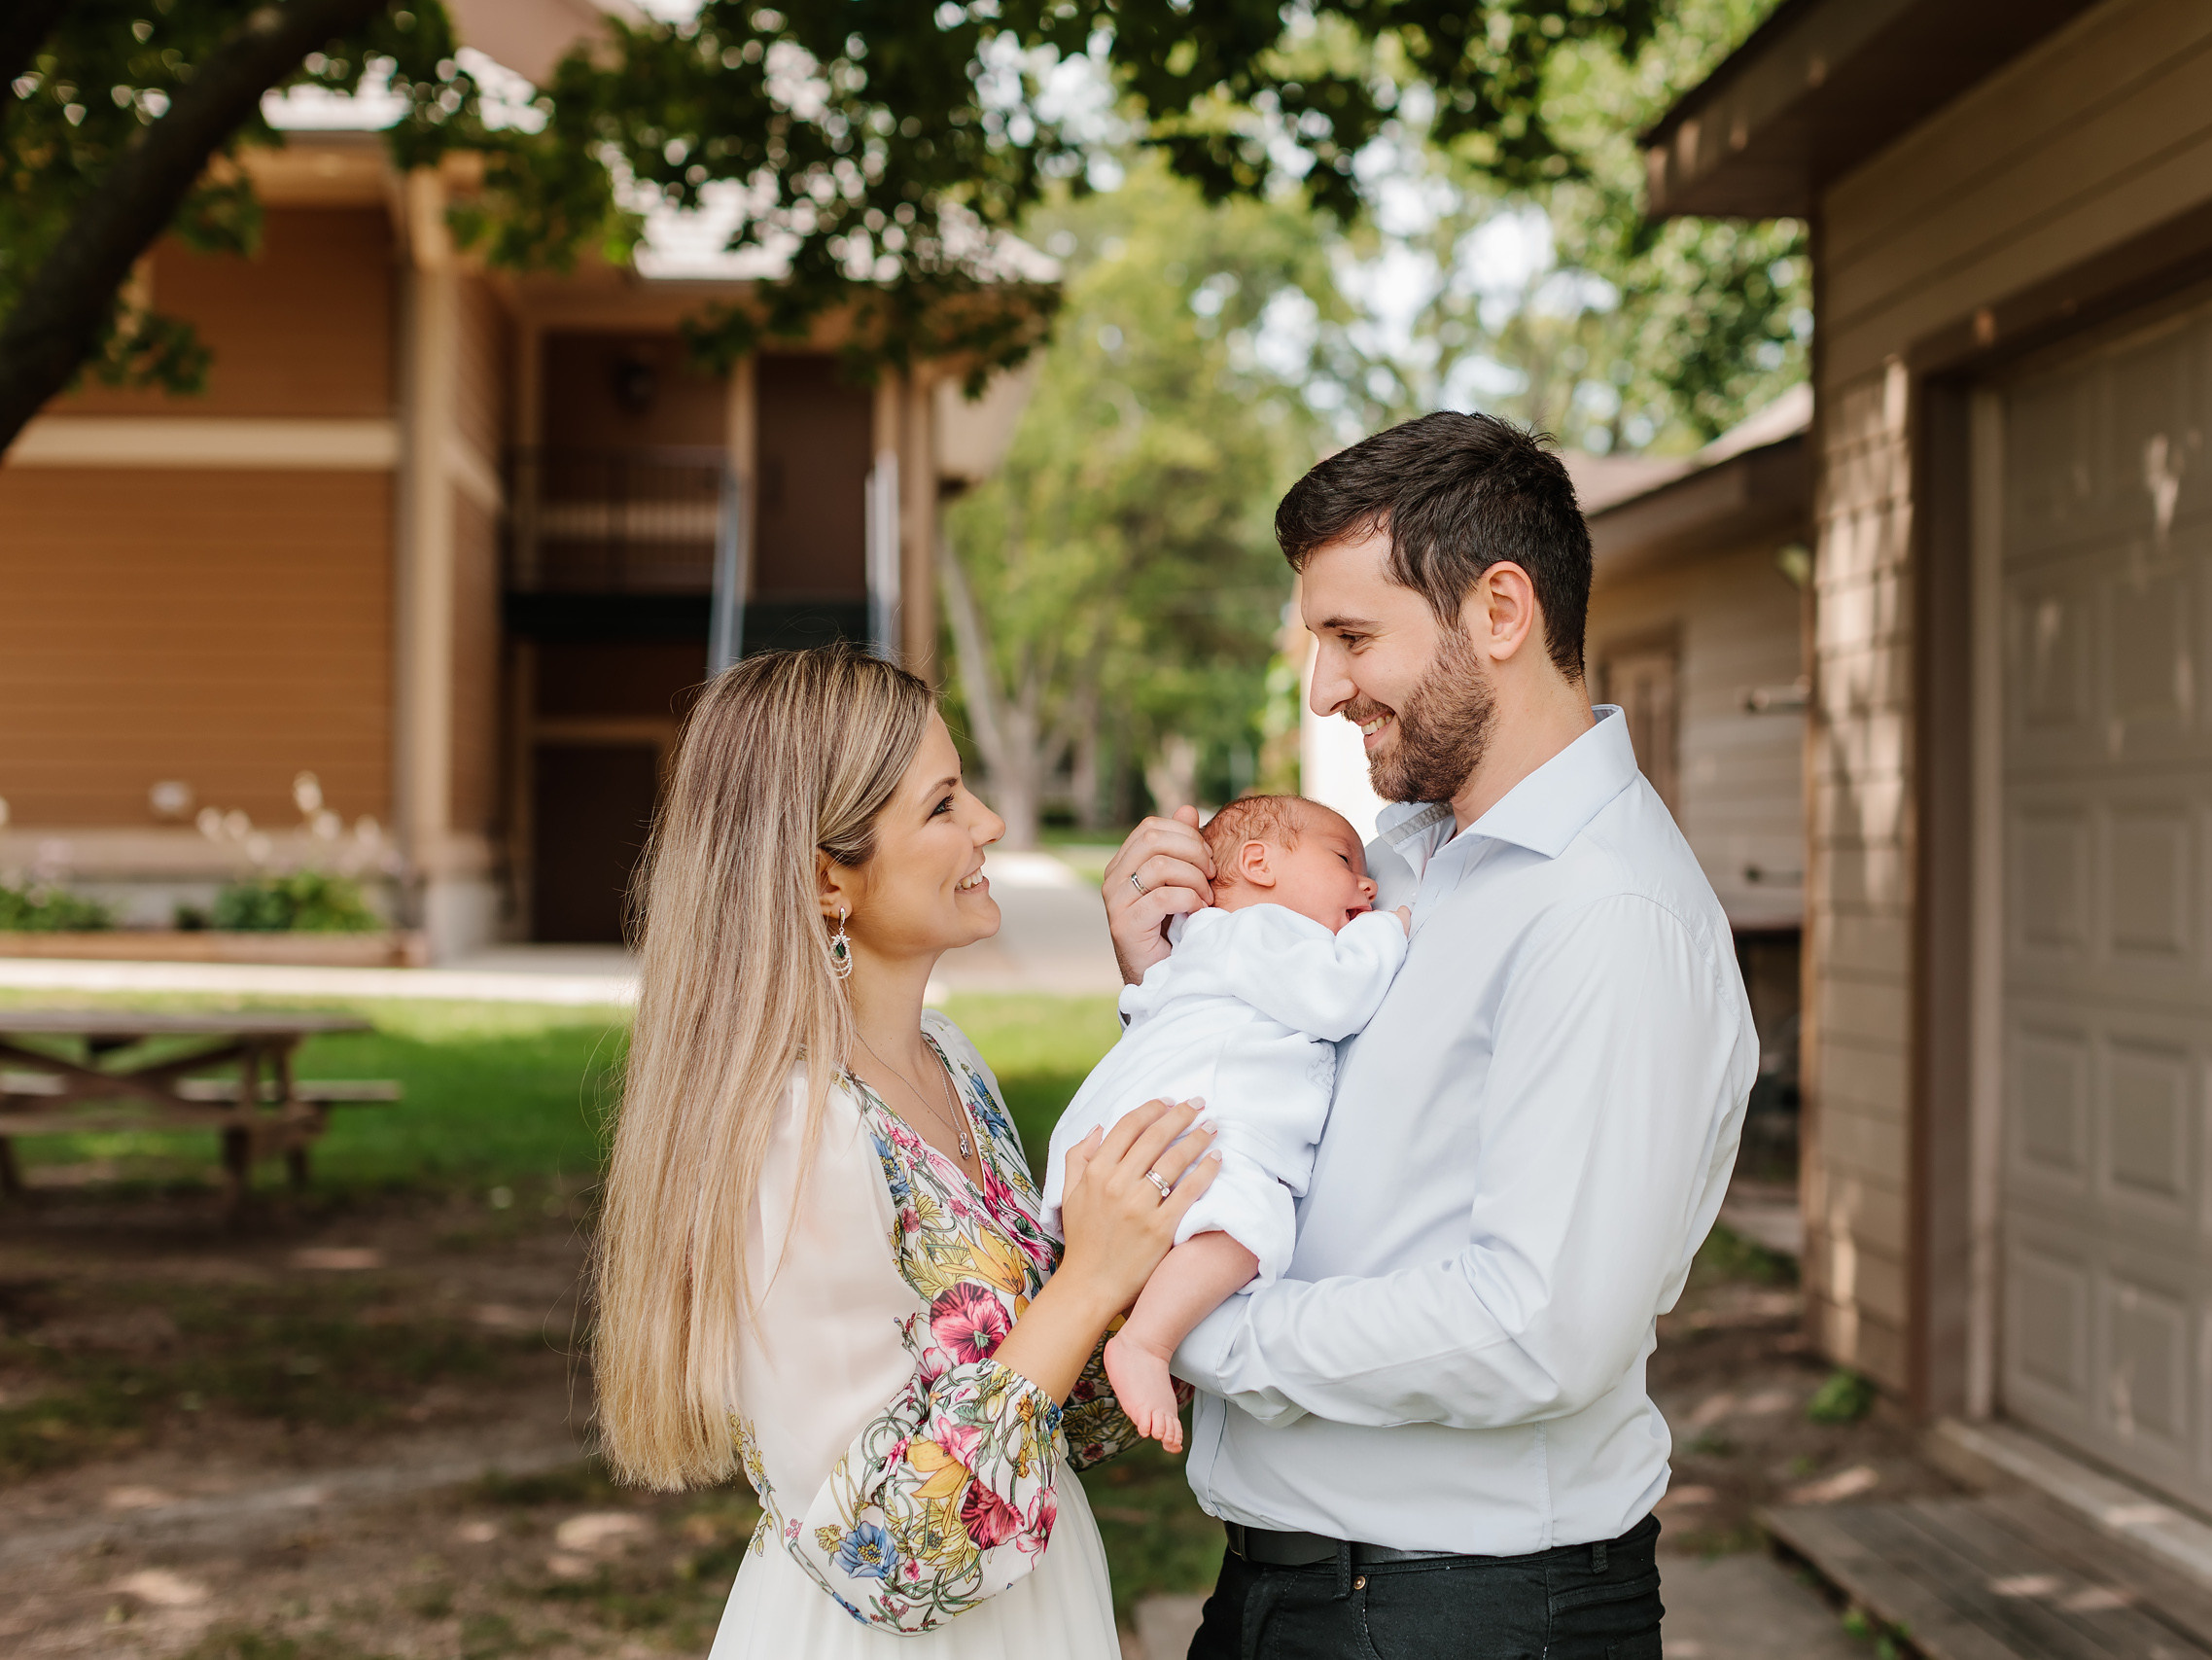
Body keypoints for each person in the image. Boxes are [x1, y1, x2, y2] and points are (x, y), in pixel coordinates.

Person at [1105, 413, 1759, 1658]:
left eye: (1353, 637)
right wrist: (1181, 987)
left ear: (1499, 611)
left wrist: (1195, 1328)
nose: (1323, 687)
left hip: (1465, 1614)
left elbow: (1535, 1325)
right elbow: (1325, 1152)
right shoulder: (1399, 864)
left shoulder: (1604, 912)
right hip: (1295, 1591)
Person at [593, 646, 1219, 1658]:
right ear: (824, 877)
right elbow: (889, 1550)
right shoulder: (798, 1131)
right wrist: (1088, 1282)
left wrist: (1175, 999)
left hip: (1038, 1609)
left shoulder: (946, 1061)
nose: (990, 826)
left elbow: (1055, 1415)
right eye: (942, 807)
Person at [1039, 794, 1410, 1455]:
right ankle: (1146, 1341)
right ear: (1259, 863)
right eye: (1343, 859)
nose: (1369, 882)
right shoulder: (1261, 931)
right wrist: (1388, 930)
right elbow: (1335, 994)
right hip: (1206, 1124)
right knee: (1249, 1226)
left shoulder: (1202, 942)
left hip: (1141, 1123)